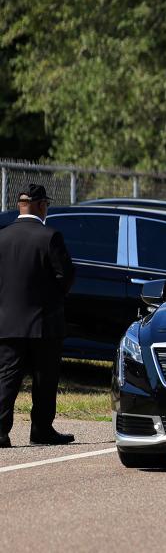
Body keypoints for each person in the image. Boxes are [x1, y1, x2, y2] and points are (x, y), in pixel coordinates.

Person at [0, 184, 76, 447]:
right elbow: (65, 277)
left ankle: (0, 431)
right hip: (44, 322)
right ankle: (41, 430)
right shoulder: (50, 236)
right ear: (41, 205)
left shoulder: (3, 237)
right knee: (45, 380)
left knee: (7, 377)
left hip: (7, 321)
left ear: (20, 206)